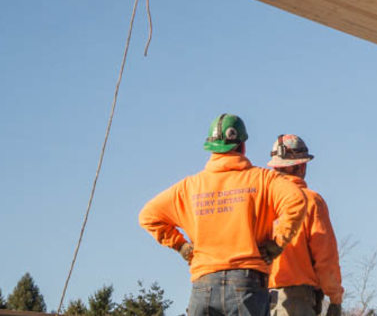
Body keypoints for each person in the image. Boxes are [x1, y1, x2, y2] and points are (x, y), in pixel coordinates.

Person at [139, 114, 309, 316]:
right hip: (247, 284)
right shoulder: (262, 179)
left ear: (211, 148)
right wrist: (277, 243)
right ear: (242, 146)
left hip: (203, 285)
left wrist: (180, 245)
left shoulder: (189, 187)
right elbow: (296, 199)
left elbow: (148, 216)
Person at [266, 134, 344, 316]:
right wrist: (335, 299)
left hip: (256, 299)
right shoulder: (311, 201)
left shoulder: (260, 202)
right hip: (296, 301)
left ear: (275, 166)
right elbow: (326, 258)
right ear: (301, 166)